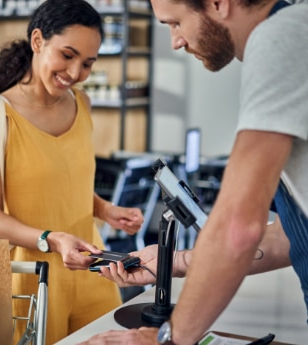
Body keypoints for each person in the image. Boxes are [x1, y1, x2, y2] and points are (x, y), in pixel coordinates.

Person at [78, 0, 308, 344]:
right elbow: (292, 232)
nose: (175, 41)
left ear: (218, 4)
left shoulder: (281, 38)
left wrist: (169, 339)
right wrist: (178, 260)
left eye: (175, 23)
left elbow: (237, 228)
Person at [0, 0, 144, 343]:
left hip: (96, 269)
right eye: (67, 55)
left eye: (88, 63)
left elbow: (67, 181)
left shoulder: (82, 104)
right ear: (38, 41)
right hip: (34, 279)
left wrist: (104, 209)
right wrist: (51, 239)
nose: (76, 73)